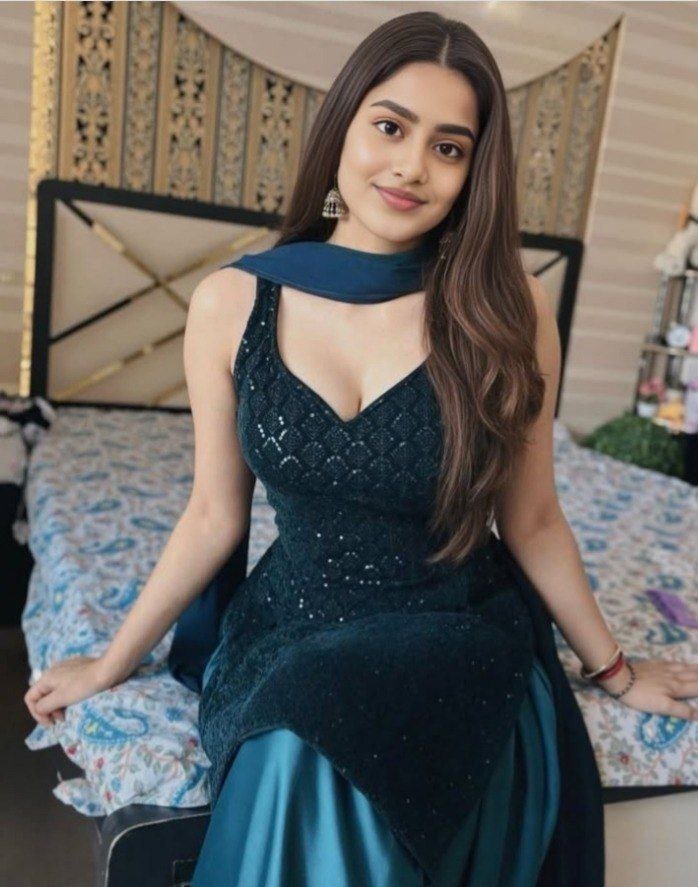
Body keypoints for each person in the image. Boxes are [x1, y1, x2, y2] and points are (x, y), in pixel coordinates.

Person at [24, 10, 698, 887]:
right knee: (302, 715)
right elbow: (213, 514)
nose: (412, 165)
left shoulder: (507, 306)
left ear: (474, 172)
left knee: (323, 721)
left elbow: (532, 518)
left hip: (455, 621)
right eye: (390, 126)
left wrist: (613, 670)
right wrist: (112, 661)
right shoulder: (232, 303)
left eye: (449, 147)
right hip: (295, 618)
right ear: (343, 126)